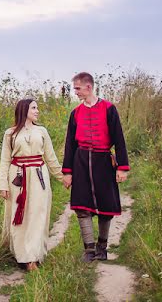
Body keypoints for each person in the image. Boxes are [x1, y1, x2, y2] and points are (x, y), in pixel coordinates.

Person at [61, 72, 130, 262]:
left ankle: (102, 247)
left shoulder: (109, 109)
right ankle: (89, 250)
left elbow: (119, 140)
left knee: (106, 207)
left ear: (88, 87)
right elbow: (70, 144)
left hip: (103, 162)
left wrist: (122, 167)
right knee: (82, 207)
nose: (75, 92)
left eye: (77, 88)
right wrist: (67, 172)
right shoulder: (75, 113)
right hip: (81, 161)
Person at [0, 97, 65, 271]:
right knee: (19, 216)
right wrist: (3, 185)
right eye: (34, 108)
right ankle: (22, 255)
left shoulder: (42, 131)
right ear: (24, 110)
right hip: (17, 178)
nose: (37, 111)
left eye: (37, 108)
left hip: (38, 176)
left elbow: (51, 159)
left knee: (38, 214)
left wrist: (64, 178)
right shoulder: (10, 133)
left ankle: (33, 257)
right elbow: (5, 160)